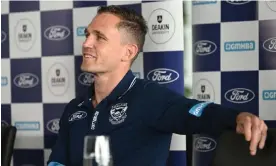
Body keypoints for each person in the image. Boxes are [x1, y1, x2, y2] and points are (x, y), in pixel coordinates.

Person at [47, 5, 268, 166]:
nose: (86, 43)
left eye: (99, 37)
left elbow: (195, 112)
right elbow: (57, 161)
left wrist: (237, 117)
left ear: (129, 52)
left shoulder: (149, 98)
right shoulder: (75, 107)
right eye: (87, 35)